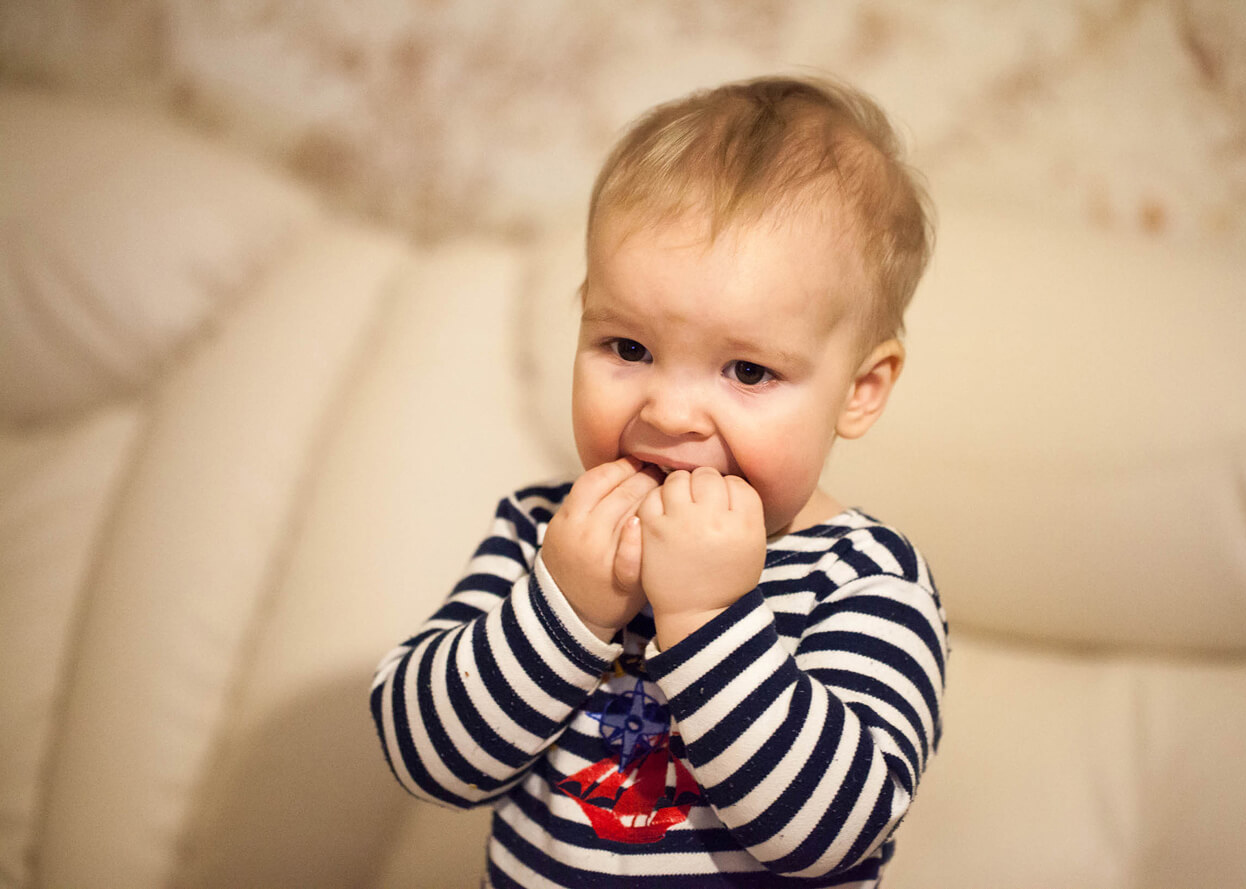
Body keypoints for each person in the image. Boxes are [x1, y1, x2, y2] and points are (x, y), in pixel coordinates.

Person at [371, 74, 948, 888]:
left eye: (747, 369)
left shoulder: (865, 582)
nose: (671, 411)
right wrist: (564, 607)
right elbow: (426, 758)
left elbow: (833, 830)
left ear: (860, 390)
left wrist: (707, 616)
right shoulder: (544, 533)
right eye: (628, 348)